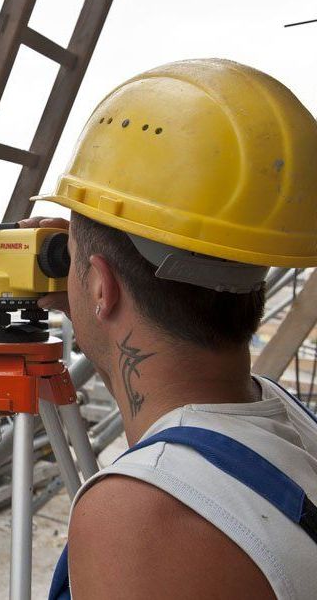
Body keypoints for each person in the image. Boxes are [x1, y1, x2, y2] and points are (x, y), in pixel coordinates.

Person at [20, 59, 317, 599]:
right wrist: (94, 299)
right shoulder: (289, 423)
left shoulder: (142, 520)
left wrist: (96, 299)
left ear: (102, 287)